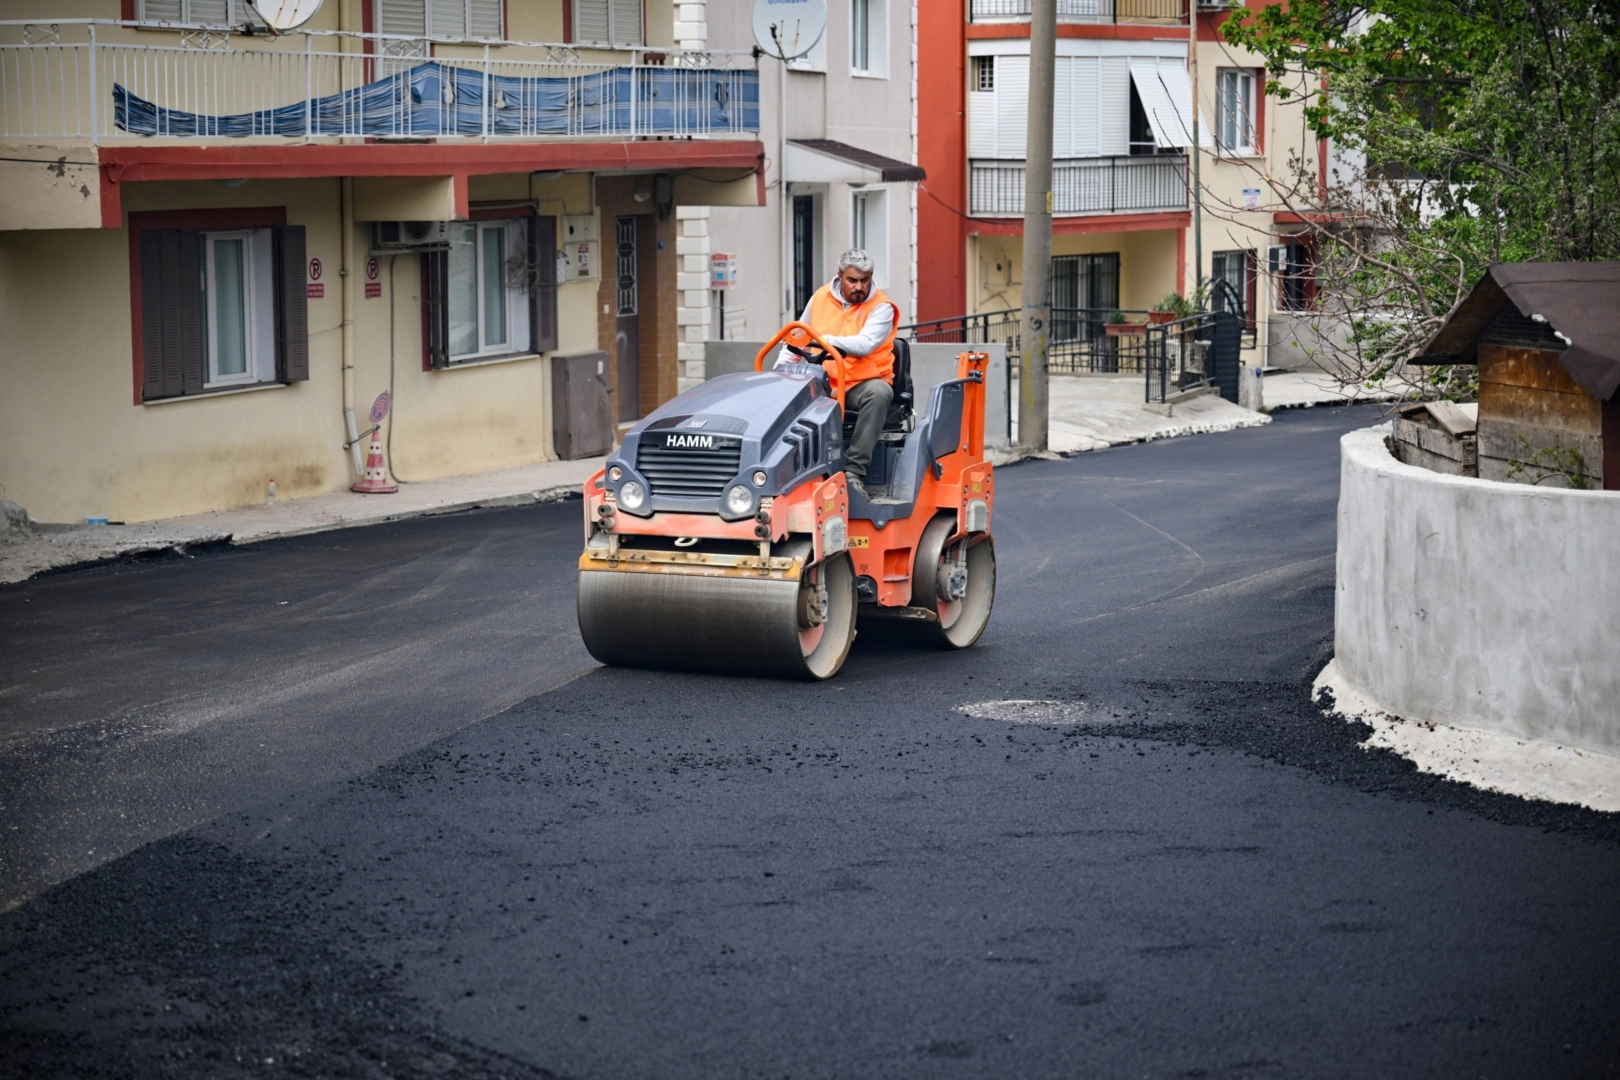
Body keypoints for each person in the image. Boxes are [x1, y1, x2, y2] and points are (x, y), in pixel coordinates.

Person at [776, 249, 899, 497]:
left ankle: (853, 472)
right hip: (823, 382)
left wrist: (820, 340)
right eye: (852, 280)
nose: (859, 287)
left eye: (865, 280)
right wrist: (779, 374)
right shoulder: (820, 298)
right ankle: (791, 470)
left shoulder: (881, 308)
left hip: (860, 384)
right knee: (786, 392)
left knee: (878, 392)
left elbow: (864, 344)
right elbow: (798, 338)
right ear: (840, 276)